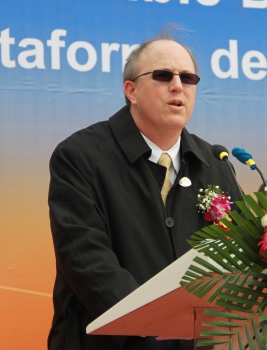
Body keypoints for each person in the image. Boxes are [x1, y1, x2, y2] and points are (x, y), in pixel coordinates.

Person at [47, 30, 243, 350]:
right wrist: (153, 328)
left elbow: (237, 263)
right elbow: (88, 261)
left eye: (188, 78)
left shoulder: (215, 163)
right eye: (163, 75)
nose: (178, 86)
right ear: (131, 90)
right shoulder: (80, 157)